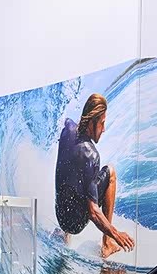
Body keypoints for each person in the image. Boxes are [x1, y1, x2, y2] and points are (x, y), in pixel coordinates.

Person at [55, 93, 135, 259]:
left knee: (72, 169)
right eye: (102, 123)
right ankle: (107, 244)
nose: (104, 129)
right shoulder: (91, 155)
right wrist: (116, 234)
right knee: (110, 171)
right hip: (75, 224)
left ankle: (63, 234)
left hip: (60, 215)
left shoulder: (67, 128)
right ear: (92, 122)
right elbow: (93, 212)